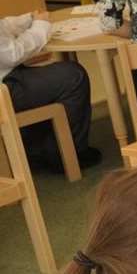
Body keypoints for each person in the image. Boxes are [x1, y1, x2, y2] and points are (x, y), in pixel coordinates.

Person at [0, 10, 100, 171]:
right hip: (5, 89)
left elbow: (3, 26)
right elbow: (12, 53)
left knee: (51, 76)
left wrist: (27, 19)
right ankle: (65, 154)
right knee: (73, 76)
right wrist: (40, 26)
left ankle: (38, 146)